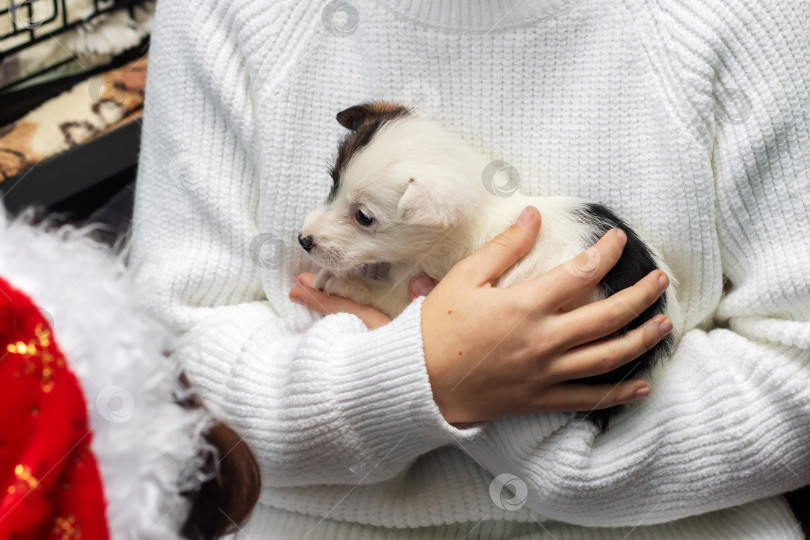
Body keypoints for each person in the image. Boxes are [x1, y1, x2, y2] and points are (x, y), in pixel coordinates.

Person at [129, 0, 810, 537]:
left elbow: (795, 370)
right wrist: (409, 380)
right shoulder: (229, 14)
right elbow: (164, 366)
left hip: (678, 523)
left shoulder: (744, 17)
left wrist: (506, 411)